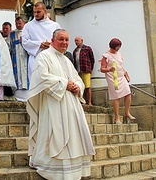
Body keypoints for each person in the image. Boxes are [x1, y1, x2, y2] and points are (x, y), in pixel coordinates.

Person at [27, 29, 95, 179]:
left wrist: (78, 86)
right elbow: (42, 77)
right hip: (52, 104)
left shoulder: (66, 60)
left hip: (71, 105)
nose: (64, 43)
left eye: (66, 40)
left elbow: (76, 78)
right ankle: (52, 168)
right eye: (61, 39)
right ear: (52, 41)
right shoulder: (43, 56)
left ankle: (73, 168)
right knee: (55, 133)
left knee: (72, 136)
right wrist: (65, 84)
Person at [100, 38, 135, 124]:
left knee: (128, 93)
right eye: (117, 46)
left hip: (121, 76)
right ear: (113, 46)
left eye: (119, 46)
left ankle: (127, 112)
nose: (119, 48)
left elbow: (120, 65)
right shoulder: (106, 56)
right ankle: (117, 117)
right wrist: (109, 69)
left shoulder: (119, 54)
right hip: (112, 77)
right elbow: (102, 69)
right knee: (116, 96)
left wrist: (125, 73)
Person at [22, 2, 61, 78]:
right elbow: (25, 42)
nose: (36, 14)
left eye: (38, 12)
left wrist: (51, 45)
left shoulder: (55, 25)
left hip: (52, 59)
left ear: (45, 11)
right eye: (34, 12)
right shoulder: (28, 26)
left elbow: (60, 41)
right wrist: (39, 44)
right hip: (36, 59)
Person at [10, 17, 29, 101]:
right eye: (16, 23)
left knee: (26, 74)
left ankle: (27, 95)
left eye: (20, 23)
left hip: (25, 57)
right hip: (15, 59)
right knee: (17, 75)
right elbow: (8, 45)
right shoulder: (12, 34)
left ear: (24, 23)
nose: (18, 25)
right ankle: (17, 94)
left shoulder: (27, 33)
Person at [73, 36, 95, 105]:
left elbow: (92, 59)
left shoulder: (87, 48)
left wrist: (90, 69)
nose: (76, 42)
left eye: (77, 41)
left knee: (87, 86)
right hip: (78, 71)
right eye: (75, 41)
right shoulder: (75, 51)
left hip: (86, 70)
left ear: (82, 40)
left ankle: (89, 102)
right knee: (81, 86)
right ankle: (83, 101)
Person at [1, 21, 14, 99]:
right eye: (4, 28)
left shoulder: (12, 37)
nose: (5, 30)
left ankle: (10, 92)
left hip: (10, 59)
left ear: (10, 29)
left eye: (7, 28)